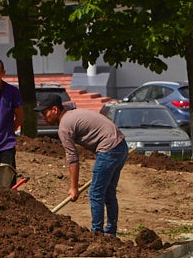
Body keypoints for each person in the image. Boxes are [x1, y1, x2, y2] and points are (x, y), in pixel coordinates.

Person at [38, 92, 128, 235]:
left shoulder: (64, 127)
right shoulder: (73, 115)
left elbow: (72, 157)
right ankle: (110, 233)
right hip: (121, 146)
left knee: (95, 193)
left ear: (55, 110)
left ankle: (97, 234)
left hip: (109, 148)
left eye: (45, 113)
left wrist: (73, 187)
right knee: (108, 192)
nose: (43, 117)